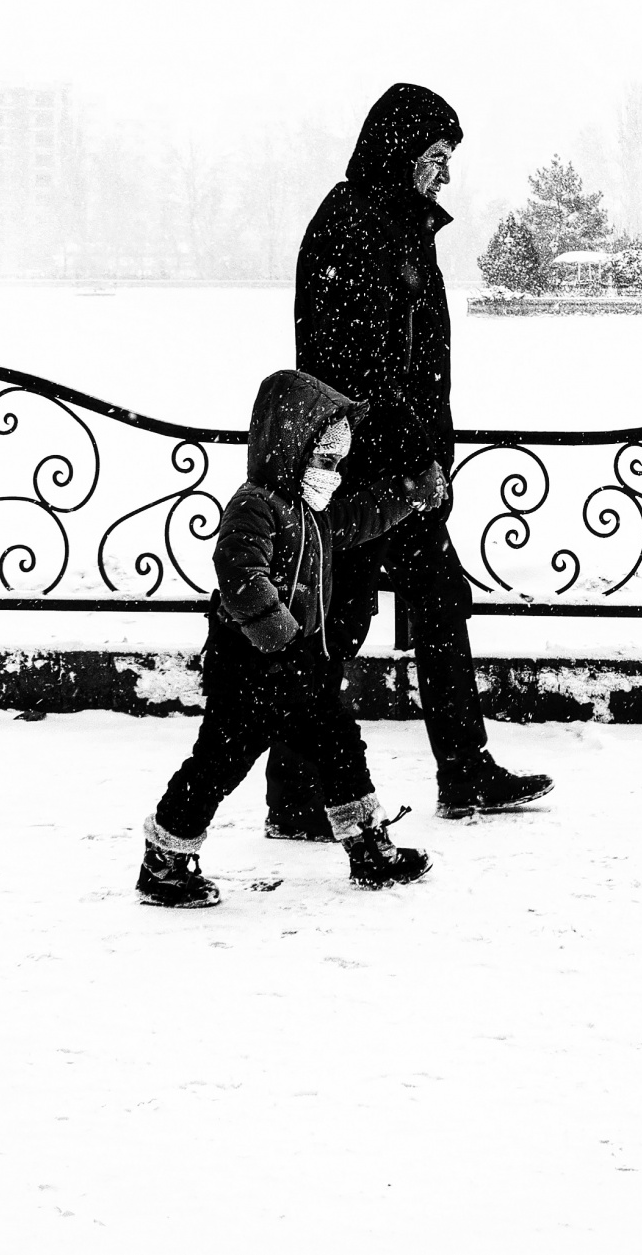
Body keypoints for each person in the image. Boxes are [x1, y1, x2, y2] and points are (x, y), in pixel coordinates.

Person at [263, 82, 552, 839]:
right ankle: (298, 793)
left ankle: (461, 769)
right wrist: (414, 458)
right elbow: (355, 366)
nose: (446, 174)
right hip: (363, 471)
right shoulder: (354, 227)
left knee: (432, 602)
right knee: (338, 622)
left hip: (395, 463)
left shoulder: (395, 224)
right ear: (400, 154)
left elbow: (414, 364)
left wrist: (427, 454)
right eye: (435, 156)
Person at [137, 369, 446, 908]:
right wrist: (281, 639)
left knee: (340, 747)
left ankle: (368, 847)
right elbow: (239, 573)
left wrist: (406, 496)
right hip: (250, 666)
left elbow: (360, 518)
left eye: (338, 463)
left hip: (299, 668)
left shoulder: (313, 513)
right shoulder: (255, 505)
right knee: (220, 760)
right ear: (290, 447)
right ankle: (164, 860)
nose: (333, 474)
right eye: (324, 460)